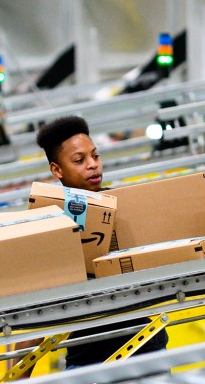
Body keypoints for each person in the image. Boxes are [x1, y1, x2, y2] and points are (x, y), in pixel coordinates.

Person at [34, 115, 168, 370]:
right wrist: (21, 371)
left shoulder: (123, 209)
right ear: (57, 170)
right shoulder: (48, 225)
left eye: (95, 156)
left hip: (147, 348)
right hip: (88, 359)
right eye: (79, 160)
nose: (93, 165)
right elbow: (35, 302)